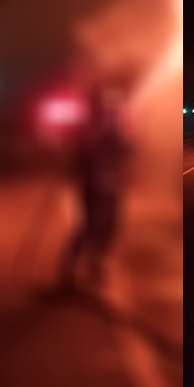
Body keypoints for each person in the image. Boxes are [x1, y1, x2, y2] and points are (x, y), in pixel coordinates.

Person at [59, 84, 131, 288]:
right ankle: (70, 268)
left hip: (110, 184)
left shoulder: (111, 126)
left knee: (110, 225)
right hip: (92, 185)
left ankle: (95, 264)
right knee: (90, 226)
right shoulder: (84, 129)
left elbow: (124, 149)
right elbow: (76, 158)